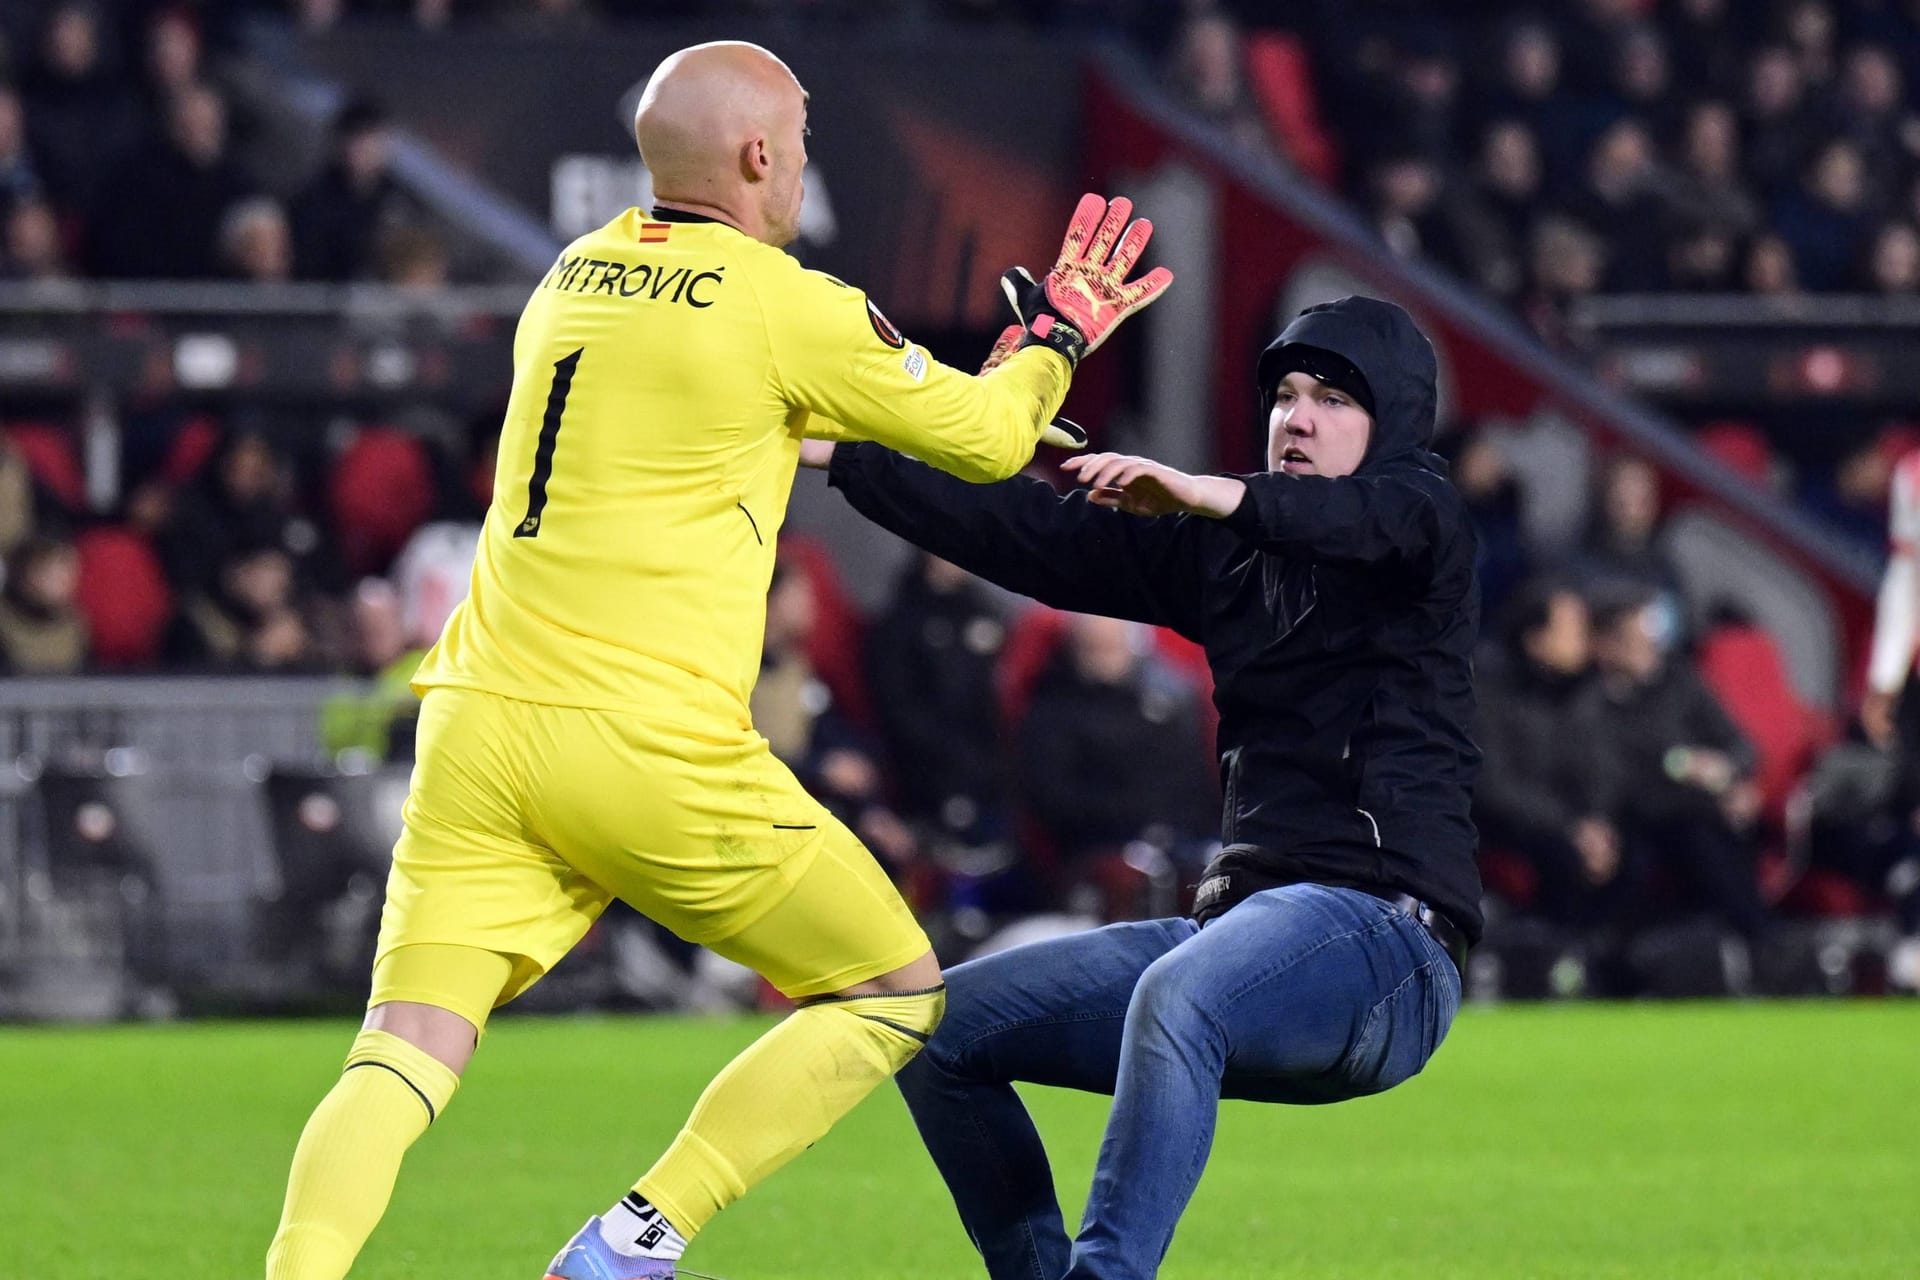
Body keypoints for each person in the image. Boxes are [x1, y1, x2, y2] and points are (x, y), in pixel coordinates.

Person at [263, 40, 1171, 1280]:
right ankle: (634, 1238)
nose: (803, 162)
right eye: (797, 139)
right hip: (641, 739)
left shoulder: (569, 277)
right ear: (756, 157)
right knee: (894, 988)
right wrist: (1055, 335)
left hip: (475, 724)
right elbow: (981, 437)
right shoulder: (786, 305)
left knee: (402, 1051)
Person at [800, 293, 1479, 1280]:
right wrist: (852, 457)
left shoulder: (1424, 514)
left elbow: (1360, 517)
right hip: (1239, 937)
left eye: (1332, 397)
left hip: (1388, 946)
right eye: (1286, 393)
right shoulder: (1227, 547)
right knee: (938, 1032)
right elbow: (1032, 535)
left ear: (1396, 420)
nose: (1296, 414)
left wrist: (1208, 493)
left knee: (1180, 991)